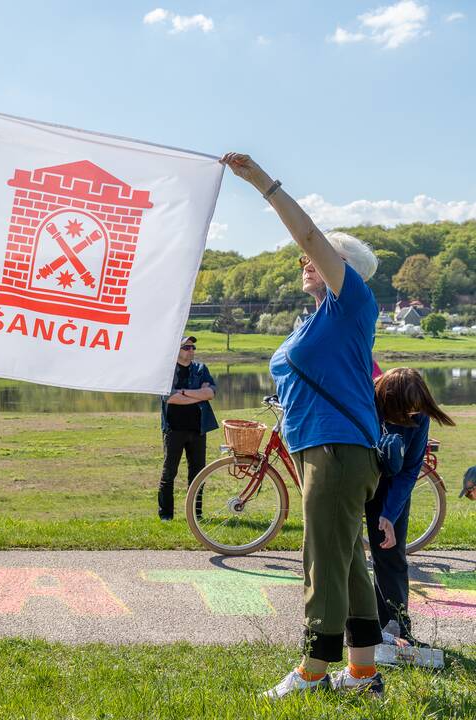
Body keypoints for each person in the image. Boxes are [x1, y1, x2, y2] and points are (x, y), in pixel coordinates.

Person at [222, 153, 386, 698]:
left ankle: (314, 670)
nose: (305, 262)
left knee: (320, 557)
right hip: (325, 449)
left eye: (316, 258)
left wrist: (262, 184)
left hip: (337, 451)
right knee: (347, 564)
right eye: (305, 260)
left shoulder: (352, 303)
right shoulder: (316, 320)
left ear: (345, 269)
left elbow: (310, 236)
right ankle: (363, 674)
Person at [366, 368, 455, 646]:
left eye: (414, 413)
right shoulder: (366, 399)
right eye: (403, 413)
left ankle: (396, 630)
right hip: (356, 473)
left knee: (390, 554)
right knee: (344, 556)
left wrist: (389, 515)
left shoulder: (419, 415)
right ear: (387, 400)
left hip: (391, 483)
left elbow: (409, 470)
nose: (409, 419)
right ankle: (358, 632)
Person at [157, 335, 217, 520]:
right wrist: (197, 394)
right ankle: (166, 515)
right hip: (174, 430)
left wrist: (183, 392)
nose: (191, 351)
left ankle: (196, 515)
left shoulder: (200, 369)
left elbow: (210, 393)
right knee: (169, 473)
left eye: (193, 348)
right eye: (187, 348)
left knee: (198, 474)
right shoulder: (167, 372)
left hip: (198, 429)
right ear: (177, 350)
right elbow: (170, 398)